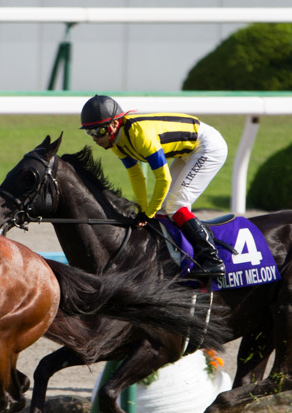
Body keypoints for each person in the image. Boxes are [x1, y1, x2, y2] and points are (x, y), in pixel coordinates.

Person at [79, 94, 227, 280]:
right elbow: (136, 176)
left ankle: (212, 260)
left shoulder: (140, 135)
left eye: (98, 131)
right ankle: (175, 257)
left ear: (114, 124)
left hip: (207, 147)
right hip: (188, 151)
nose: (95, 138)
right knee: (164, 208)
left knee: (176, 204)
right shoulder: (116, 142)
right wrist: (142, 209)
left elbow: (163, 179)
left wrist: (149, 213)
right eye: (90, 133)